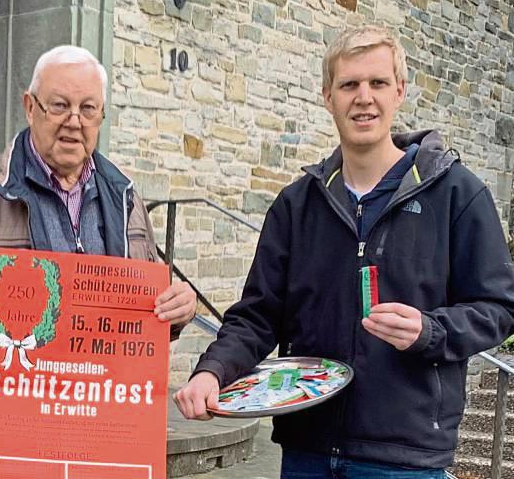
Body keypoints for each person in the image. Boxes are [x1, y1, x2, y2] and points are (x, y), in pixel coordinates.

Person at [175, 25, 514, 478]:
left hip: (405, 460)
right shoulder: (297, 205)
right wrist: (213, 371)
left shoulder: (456, 194)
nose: (364, 97)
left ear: (399, 91)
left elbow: (498, 306)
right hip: (307, 452)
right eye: (349, 84)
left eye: (377, 83)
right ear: (327, 95)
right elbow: (257, 315)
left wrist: (431, 331)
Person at [0, 45, 198, 477]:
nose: (74, 121)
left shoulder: (125, 198)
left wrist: (177, 310)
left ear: (102, 117)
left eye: (88, 108)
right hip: (14, 430)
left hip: (106, 431)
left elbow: (145, 311)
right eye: (60, 106)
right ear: (30, 107)